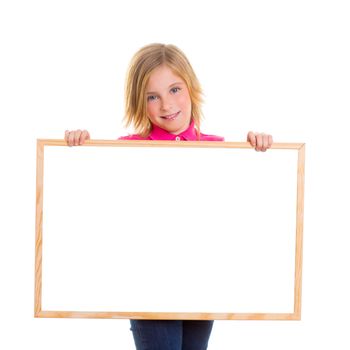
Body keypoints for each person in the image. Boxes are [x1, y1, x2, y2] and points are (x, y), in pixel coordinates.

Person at [64, 43, 273, 350]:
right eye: (153, 97)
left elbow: (235, 215)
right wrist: (79, 149)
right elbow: (97, 204)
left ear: (191, 88)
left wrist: (259, 151)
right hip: (149, 281)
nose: (166, 105)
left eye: (175, 90)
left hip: (202, 280)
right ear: (140, 102)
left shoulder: (220, 150)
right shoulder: (126, 150)